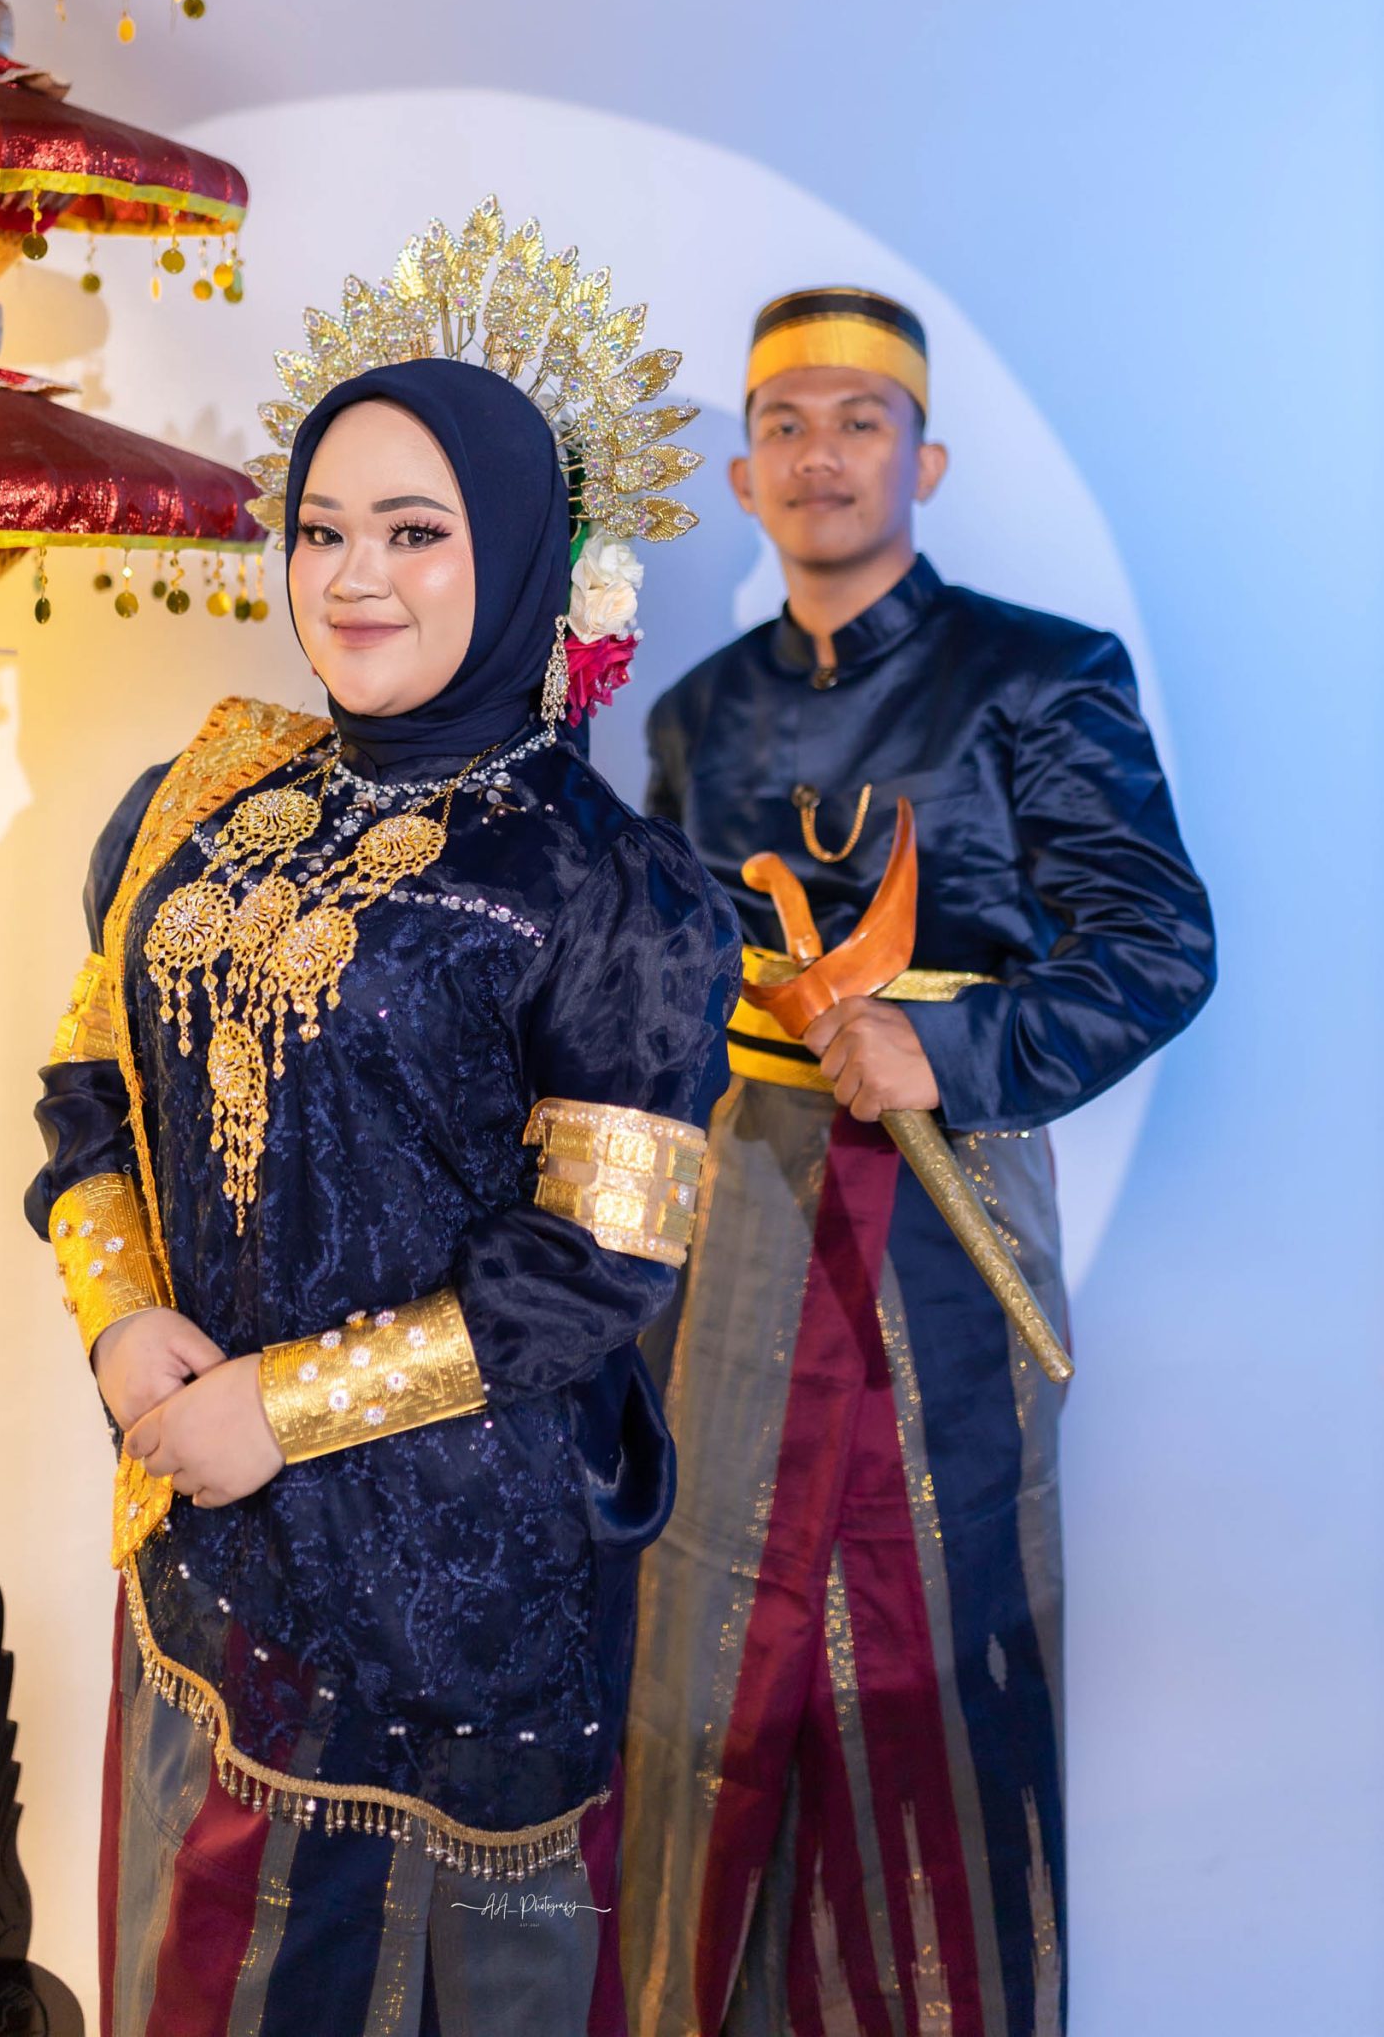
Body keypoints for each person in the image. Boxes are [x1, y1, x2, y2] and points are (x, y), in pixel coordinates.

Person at [28, 208, 739, 2037]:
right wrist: (119, 1320)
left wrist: (278, 1408)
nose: (353, 578)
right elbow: (89, 1087)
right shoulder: (200, 795)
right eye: (322, 529)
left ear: (524, 562)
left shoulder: (612, 889)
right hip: (196, 1532)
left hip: (456, 1590)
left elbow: (591, 1271)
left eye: (415, 533)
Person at [621, 286, 1215, 2037]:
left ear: (924, 461)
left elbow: (1159, 949)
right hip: (728, 1220)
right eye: (783, 424)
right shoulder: (692, 715)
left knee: (923, 1618)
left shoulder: (1039, 677)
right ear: (742, 477)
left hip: (942, 1222)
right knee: (709, 1624)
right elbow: (653, 982)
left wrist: (943, 1053)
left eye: (858, 421)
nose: (819, 455)